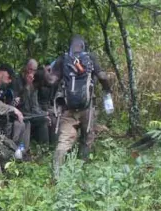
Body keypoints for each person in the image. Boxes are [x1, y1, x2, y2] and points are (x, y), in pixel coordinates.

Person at [46, 35, 113, 175]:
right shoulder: (89, 58)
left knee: (64, 141)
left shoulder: (63, 59)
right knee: (87, 137)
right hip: (87, 108)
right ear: (83, 46)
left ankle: (56, 174)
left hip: (67, 108)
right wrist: (107, 90)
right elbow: (102, 77)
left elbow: (51, 81)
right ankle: (82, 169)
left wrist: (47, 71)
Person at [0, 64, 28, 153]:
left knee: (22, 124)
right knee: (6, 147)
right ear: (2, 73)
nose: (10, 80)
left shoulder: (5, 89)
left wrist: (13, 104)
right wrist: (12, 109)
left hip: (4, 124)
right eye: (9, 76)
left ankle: (20, 152)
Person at [13, 59, 54, 150]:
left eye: (34, 70)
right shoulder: (17, 80)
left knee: (46, 118)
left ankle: (45, 149)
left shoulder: (33, 84)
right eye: (30, 69)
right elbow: (20, 103)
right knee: (32, 121)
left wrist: (43, 114)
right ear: (25, 68)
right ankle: (25, 151)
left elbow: (34, 106)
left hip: (30, 114)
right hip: (19, 114)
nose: (31, 72)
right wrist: (27, 86)